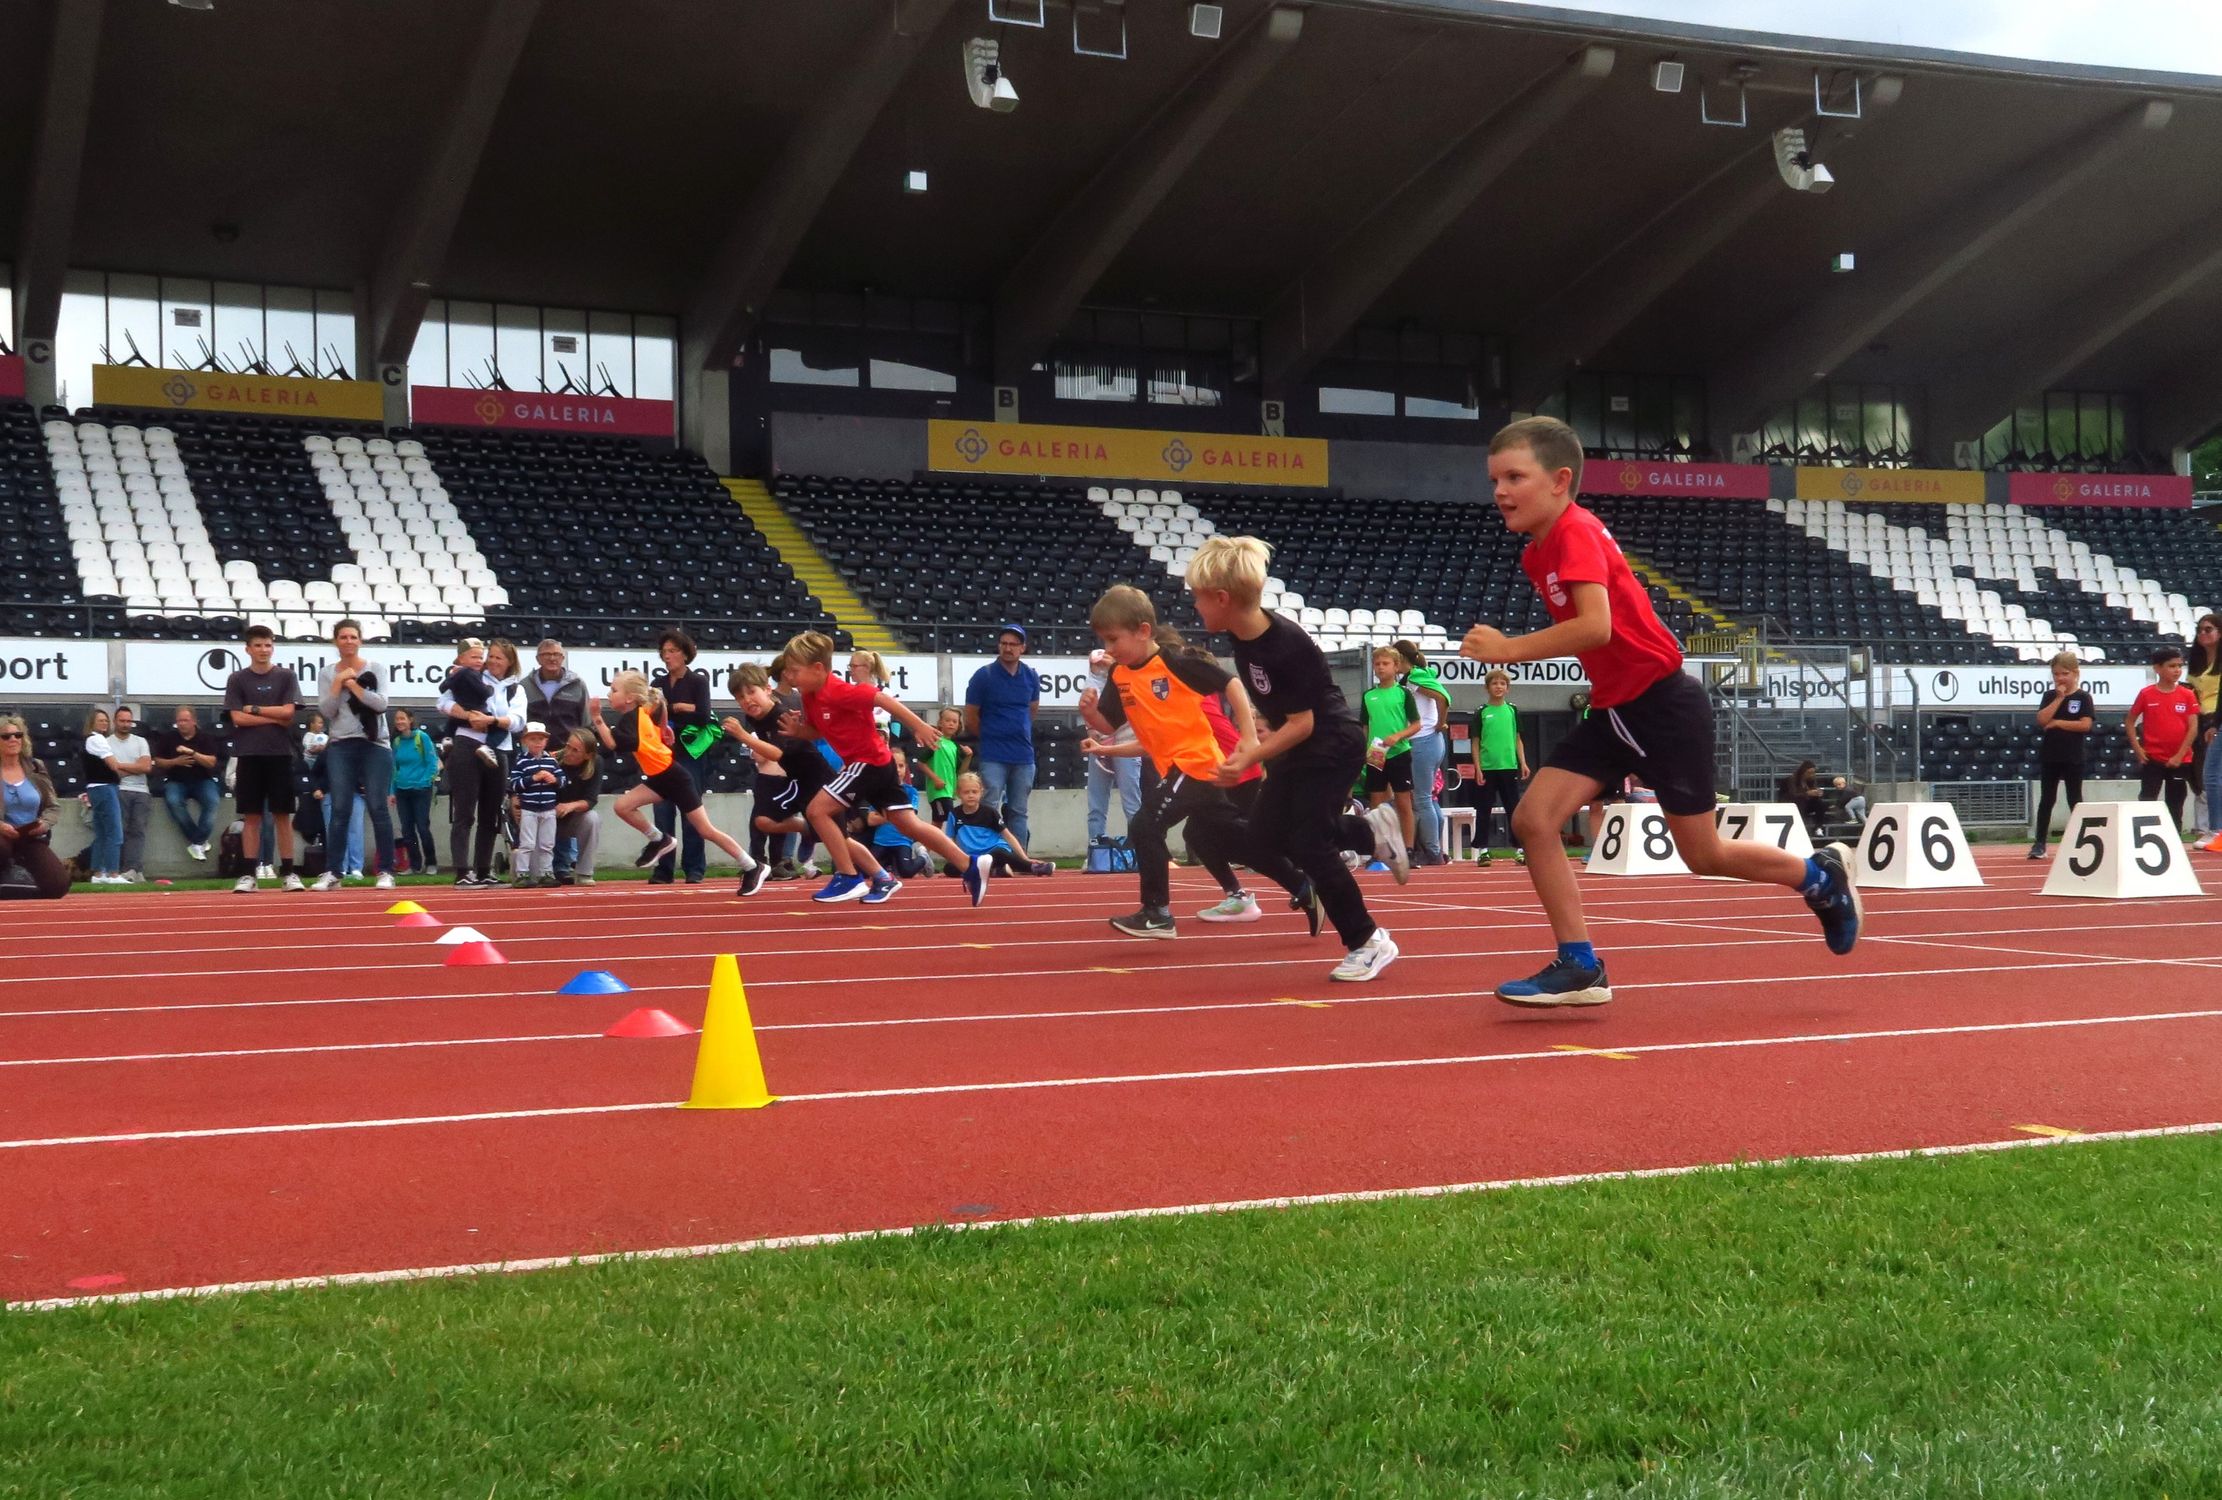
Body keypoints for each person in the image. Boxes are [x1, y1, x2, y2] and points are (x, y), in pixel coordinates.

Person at [1462, 416, 1861, 1008]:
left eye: (1514, 477)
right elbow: (1598, 635)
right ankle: (1579, 964)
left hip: (1662, 706)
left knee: (1704, 855)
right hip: (1615, 710)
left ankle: (1820, 877)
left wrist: (1509, 649)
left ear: (1560, 481)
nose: (1500, 491)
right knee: (1534, 821)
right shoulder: (1537, 554)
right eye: (1494, 480)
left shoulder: (1575, 533)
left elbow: (1596, 627)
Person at [1185, 535, 1405, 982]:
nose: (1195, 606)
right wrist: (1251, 741)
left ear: (1223, 598)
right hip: (1298, 747)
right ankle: (1369, 832)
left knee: (1310, 843)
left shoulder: (1284, 643)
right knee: (1262, 838)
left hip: (1330, 744)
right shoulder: (1241, 637)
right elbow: (1275, 707)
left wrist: (1254, 753)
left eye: (1198, 597)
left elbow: (1303, 722)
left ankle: (1367, 941)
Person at [1081, 584, 1316, 938]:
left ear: (1143, 631)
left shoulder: (1175, 663)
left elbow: (1231, 683)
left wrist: (1248, 736)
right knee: (1216, 837)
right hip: (1187, 771)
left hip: (1196, 764)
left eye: (1114, 639)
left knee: (1145, 824)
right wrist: (1090, 715)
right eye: (1104, 640)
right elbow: (1110, 724)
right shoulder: (1120, 675)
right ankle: (1302, 883)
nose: (1108, 649)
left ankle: (1157, 913)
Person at [788, 629, 988, 905]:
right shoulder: (809, 696)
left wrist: (919, 725)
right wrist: (798, 731)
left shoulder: (838, 690)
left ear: (818, 669)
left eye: (795, 671)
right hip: (878, 764)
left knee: (816, 811)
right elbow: (818, 730)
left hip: (867, 762)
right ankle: (970, 865)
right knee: (909, 824)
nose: (790, 676)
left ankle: (848, 876)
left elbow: (882, 699)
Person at [589, 670, 758, 894]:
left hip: (673, 777)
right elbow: (660, 701)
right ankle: (659, 839)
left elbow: (612, 744)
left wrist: (597, 717)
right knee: (623, 806)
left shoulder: (632, 720)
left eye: (614, 690)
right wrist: (664, 728)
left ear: (629, 698)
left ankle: (751, 866)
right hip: (660, 776)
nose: (609, 694)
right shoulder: (641, 712)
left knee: (705, 829)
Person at [312, 618, 398, 892]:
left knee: (378, 807)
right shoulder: (327, 673)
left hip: (375, 744)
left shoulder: (376, 668)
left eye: (353, 637)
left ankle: (386, 870)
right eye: (343, 637)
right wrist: (338, 682)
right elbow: (327, 711)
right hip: (341, 745)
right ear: (335, 641)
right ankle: (333, 871)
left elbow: (381, 704)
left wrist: (354, 686)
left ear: (360, 640)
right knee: (339, 809)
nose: (348, 641)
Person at [221, 626, 305, 892]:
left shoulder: (286, 676)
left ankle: (289, 873)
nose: (263, 650)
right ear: (248, 649)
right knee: (252, 816)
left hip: (279, 753)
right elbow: (238, 717)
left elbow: (289, 714)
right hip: (249, 754)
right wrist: (273, 716)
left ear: (273, 647)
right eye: (258, 645)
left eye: (267, 645)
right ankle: (249, 874)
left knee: (282, 815)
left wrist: (255, 710)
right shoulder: (237, 679)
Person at [437, 636, 523, 888]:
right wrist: (469, 716)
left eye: (499, 658)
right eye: (490, 656)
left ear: (509, 662)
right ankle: (462, 871)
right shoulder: (470, 675)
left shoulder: (516, 688)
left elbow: (518, 720)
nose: (492, 661)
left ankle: (483, 869)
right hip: (467, 743)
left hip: (499, 748)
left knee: (491, 813)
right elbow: (443, 703)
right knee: (464, 812)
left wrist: (492, 721)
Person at [649, 628, 717, 885]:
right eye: (664, 652)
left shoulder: (698, 681)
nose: (668, 656)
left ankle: (694, 868)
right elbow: (651, 715)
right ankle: (663, 869)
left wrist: (676, 708)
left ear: (685, 654)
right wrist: (678, 710)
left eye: (673, 651)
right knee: (662, 811)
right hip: (663, 754)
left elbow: (703, 715)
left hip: (690, 753)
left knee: (691, 811)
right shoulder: (657, 683)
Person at [964, 625, 1041, 849]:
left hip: (1023, 754)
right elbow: (971, 716)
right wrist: (990, 735)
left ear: (1022, 648)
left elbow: (1032, 709)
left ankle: (1019, 858)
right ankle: (985, 853)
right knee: (989, 805)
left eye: (1013, 644)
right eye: (1004, 643)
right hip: (993, 754)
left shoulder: (1031, 676)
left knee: (1018, 810)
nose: (1008, 648)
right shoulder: (984, 675)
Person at [2127, 643, 2199, 832]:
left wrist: (2179, 755)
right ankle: (2144, 835)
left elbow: (2193, 728)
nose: (2177, 670)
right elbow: (2130, 721)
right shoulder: (2146, 694)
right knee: (2147, 798)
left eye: (2179, 666)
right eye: (2172, 666)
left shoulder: (2187, 694)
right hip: (2153, 757)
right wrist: (2138, 749)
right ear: (2158, 668)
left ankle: (2174, 837)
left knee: (2176, 802)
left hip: (2180, 760)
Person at [2030, 652, 2094, 860]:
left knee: (2074, 798)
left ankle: (2082, 840)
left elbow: (2085, 725)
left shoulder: (2083, 697)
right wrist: (2059, 698)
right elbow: (2042, 720)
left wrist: (2058, 723)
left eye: (2064, 674)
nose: (2060, 678)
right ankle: (2040, 843)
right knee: (2047, 799)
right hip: (2051, 754)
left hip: (2073, 755)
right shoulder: (2050, 696)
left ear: (2075, 673)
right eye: (2056, 674)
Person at [0, 713, 70, 900]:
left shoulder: (36, 767)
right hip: (2, 835)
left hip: (30, 836)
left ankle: (15, 885)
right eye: (6, 736)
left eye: (18, 735)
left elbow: (53, 806)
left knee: (58, 886)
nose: (13, 739)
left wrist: (44, 824)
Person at [1395, 641, 1452, 865]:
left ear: (1401, 658)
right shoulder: (1420, 675)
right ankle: (1435, 848)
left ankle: (1432, 851)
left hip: (1423, 740)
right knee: (1429, 798)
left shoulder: (1414, 678)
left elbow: (1442, 697)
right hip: (1431, 741)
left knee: (1422, 800)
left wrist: (1440, 723)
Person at [1360, 646, 1421, 855]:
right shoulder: (1368, 696)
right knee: (1376, 802)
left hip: (1399, 751)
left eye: (1385, 663)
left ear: (1396, 667)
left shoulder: (1403, 693)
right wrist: (1364, 750)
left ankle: (1409, 848)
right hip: (1376, 751)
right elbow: (1365, 727)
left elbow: (1416, 724)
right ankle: (1379, 850)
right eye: (1377, 664)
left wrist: (1398, 736)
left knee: (1403, 802)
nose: (1380, 667)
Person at [1081, 648, 1145, 850]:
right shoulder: (1091, 685)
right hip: (1099, 746)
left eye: (1103, 663)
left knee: (1132, 803)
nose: (1100, 667)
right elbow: (1088, 713)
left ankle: (1139, 851)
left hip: (1126, 744)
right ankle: (1095, 852)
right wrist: (1092, 732)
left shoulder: (1127, 681)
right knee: (1096, 804)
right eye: (1096, 664)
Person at [1470, 668, 1529, 866]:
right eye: (1494, 683)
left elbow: (1518, 739)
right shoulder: (1482, 712)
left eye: (1502, 683)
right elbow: (1475, 742)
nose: (1498, 687)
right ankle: (1483, 850)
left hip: (1508, 766)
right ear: (1487, 687)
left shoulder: (1512, 710)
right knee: (1484, 808)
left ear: (1507, 688)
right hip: (1487, 768)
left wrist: (1522, 762)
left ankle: (1519, 849)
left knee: (1513, 808)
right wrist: (1477, 767)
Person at [945, 771, 1053, 878]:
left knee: (1000, 853)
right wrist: (957, 857)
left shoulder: (990, 812)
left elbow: (1008, 836)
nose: (971, 795)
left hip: (992, 853)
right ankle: (995, 871)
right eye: (966, 792)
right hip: (972, 857)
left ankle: (1034, 868)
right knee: (949, 868)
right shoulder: (954, 814)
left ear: (981, 792)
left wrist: (1025, 858)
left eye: (974, 792)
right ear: (958, 793)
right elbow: (950, 839)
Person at [152, 706, 224, 862]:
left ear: (194, 721)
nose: (182, 724)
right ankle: (199, 841)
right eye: (179, 721)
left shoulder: (205, 737)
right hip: (176, 781)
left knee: (212, 801)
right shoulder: (168, 738)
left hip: (202, 780)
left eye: (185, 720)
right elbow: (158, 762)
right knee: (173, 801)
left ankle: (196, 842)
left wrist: (193, 753)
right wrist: (175, 761)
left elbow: (211, 762)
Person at [507, 723, 563, 887]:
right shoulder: (521, 762)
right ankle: (522, 873)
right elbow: (514, 784)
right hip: (529, 808)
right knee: (527, 843)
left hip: (548, 808)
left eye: (541, 739)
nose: (537, 742)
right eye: (533, 739)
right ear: (525, 741)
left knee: (547, 843)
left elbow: (563, 781)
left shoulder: (551, 761)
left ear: (546, 741)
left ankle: (546, 873)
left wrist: (555, 780)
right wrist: (533, 778)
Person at [866, 746, 933, 879]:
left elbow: (908, 817)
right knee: (866, 870)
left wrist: (884, 813)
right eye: (893, 765)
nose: (897, 769)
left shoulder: (911, 792)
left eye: (901, 766)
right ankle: (888, 866)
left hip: (902, 841)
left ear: (906, 768)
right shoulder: (878, 791)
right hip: (881, 841)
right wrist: (895, 813)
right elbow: (871, 820)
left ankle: (923, 858)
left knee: (906, 872)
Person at [389, 707, 440, 877]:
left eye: (402, 718)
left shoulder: (422, 737)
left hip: (421, 789)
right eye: (397, 719)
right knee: (407, 830)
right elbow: (394, 768)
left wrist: (425, 781)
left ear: (410, 720)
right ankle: (414, 864)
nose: (399, 722)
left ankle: (431, 862)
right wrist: (392, 791)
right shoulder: (397, 742)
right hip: (402, 789)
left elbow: (432, 762)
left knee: (422, 827)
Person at [108, 705, 155, 883]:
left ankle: (133, 869)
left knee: (138, 830)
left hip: (141, 791)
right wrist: (134, 767)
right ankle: (123, 870)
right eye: (122, 721)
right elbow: (111, 772)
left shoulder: (140, 741)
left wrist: (119, 765)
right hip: (118, 790)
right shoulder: (107, 743)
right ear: (115, 721)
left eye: (129, 721)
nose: (126, 724)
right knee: (120, 830)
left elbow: (146, 767)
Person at [2187, 614, 2222, 851]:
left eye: (2208, 629)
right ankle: (2214, 829)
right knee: (2207, 776)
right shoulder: (2197, 660)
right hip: (2201, 718)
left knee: (2212, 775)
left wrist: (2215, 724)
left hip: (2216, 719)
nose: (2202, 633)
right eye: (2199, 629)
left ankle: (2216, 829)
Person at [78, 707, 124, 885]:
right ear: (92, 723)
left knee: (102, 833)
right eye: (100, 720)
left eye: (106, 720)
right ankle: (113, 873)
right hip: (104, 788)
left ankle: (98, 873)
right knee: (114, 831)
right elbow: (113, 765)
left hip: (95, 789)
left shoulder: (92, 740)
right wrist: (135, 768)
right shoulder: (96, 739)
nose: (104, 723)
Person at [552, 728, 602, 885]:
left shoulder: (596, 763)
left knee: (592, 818)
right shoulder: (552, 760)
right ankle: (541, 871)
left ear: (588, 755)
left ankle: (584, 872)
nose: (568, 752)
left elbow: (591, 800)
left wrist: (570, 806)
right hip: (546, 814)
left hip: (571, 816)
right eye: (568, 746)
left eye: (575, 750)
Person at [525, 638, 589, 744]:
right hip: (536, 750)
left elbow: (586, 722)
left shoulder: (577, 684)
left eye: (556, 654)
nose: (552, 658)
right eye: (546, 654)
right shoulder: (525, 686)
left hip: (568, 749)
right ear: (538, 659)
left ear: (562, 658)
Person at [920, 706, 967, 824]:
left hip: (949, 791)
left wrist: (969, 756)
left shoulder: (955, 746)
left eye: (954, 721)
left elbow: (960, 771)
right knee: (950, 819)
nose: (951, 724)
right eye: (947, 720)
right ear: (940, 722)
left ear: (959, 725)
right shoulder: (936, 741)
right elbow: (921, 763)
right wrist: (936, 779)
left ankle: (930, 837)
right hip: (938, 791)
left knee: (939, 821)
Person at [1778, 760, 1830, 839]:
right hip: (1792, 803)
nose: (1811, 775)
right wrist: (1807, 793)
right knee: (1801, 802)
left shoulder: (1811, 780)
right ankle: (1800, 828)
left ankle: (1818, 828)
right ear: (1803, 772)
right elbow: (1792, 795)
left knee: (1820, 804)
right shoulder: (1791, 780)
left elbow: (1812, 793)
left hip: (1805, 803)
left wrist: (1817, 793)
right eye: (1809, 773)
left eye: (1813, 773)